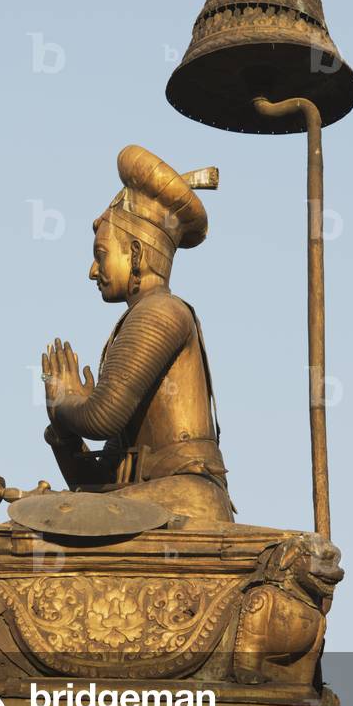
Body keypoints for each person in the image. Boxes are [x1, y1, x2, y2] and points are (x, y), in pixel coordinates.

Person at [41, 144, 234, 525]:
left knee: (54, 520)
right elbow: (99, 480)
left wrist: (66, 405)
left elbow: (103, 418)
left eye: (100, 254)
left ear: (134, 251)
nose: (93, 272)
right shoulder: (135, 321)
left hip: (185, 497)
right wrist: (63, 435)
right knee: (56, 515)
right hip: (153, 494)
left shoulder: (161, 313)